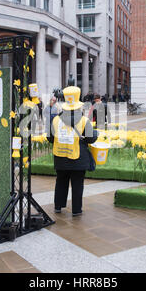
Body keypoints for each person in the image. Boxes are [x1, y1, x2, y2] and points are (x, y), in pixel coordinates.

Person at [47, 86, 98, 216]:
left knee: (60, 182)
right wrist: (95, 133)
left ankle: (58, 206)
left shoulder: (56, 120)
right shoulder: (84, 121)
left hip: (60, 156)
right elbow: (91, 139)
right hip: (78, 158)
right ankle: (76, 210)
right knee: (77, 184)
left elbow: (50, 138)